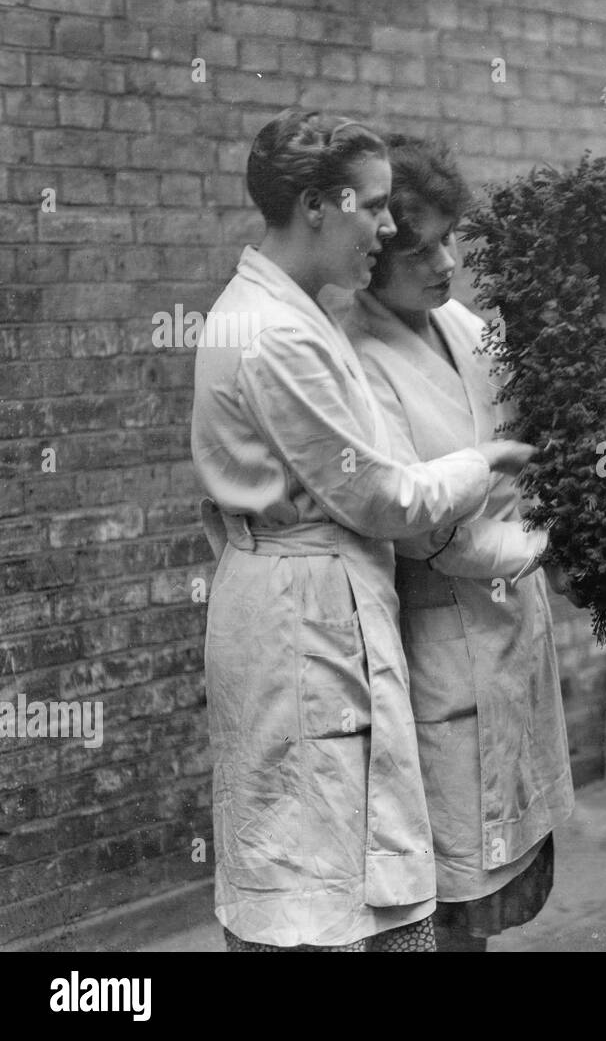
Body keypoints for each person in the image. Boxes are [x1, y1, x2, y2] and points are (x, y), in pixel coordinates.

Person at [191, 109, 534, 952]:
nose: (387, 228)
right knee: (313, 881)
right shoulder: (274, 334)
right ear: (316, 204)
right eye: (374, 207)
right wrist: (485, 461)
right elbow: (382, 498)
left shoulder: (297, 309)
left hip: (310, 596)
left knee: (340, 866)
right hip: (298, 615)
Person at [333, 134, 574, 953]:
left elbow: (521, 436)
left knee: (499, 862)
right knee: (446, 880)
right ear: (372, 258)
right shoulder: (358, 360)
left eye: (447, 242)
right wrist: (544, 539)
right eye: (420, 248)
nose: (445, 265)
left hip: (508, 624)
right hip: (438, 629)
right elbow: (427, 531)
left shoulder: (461, 324)